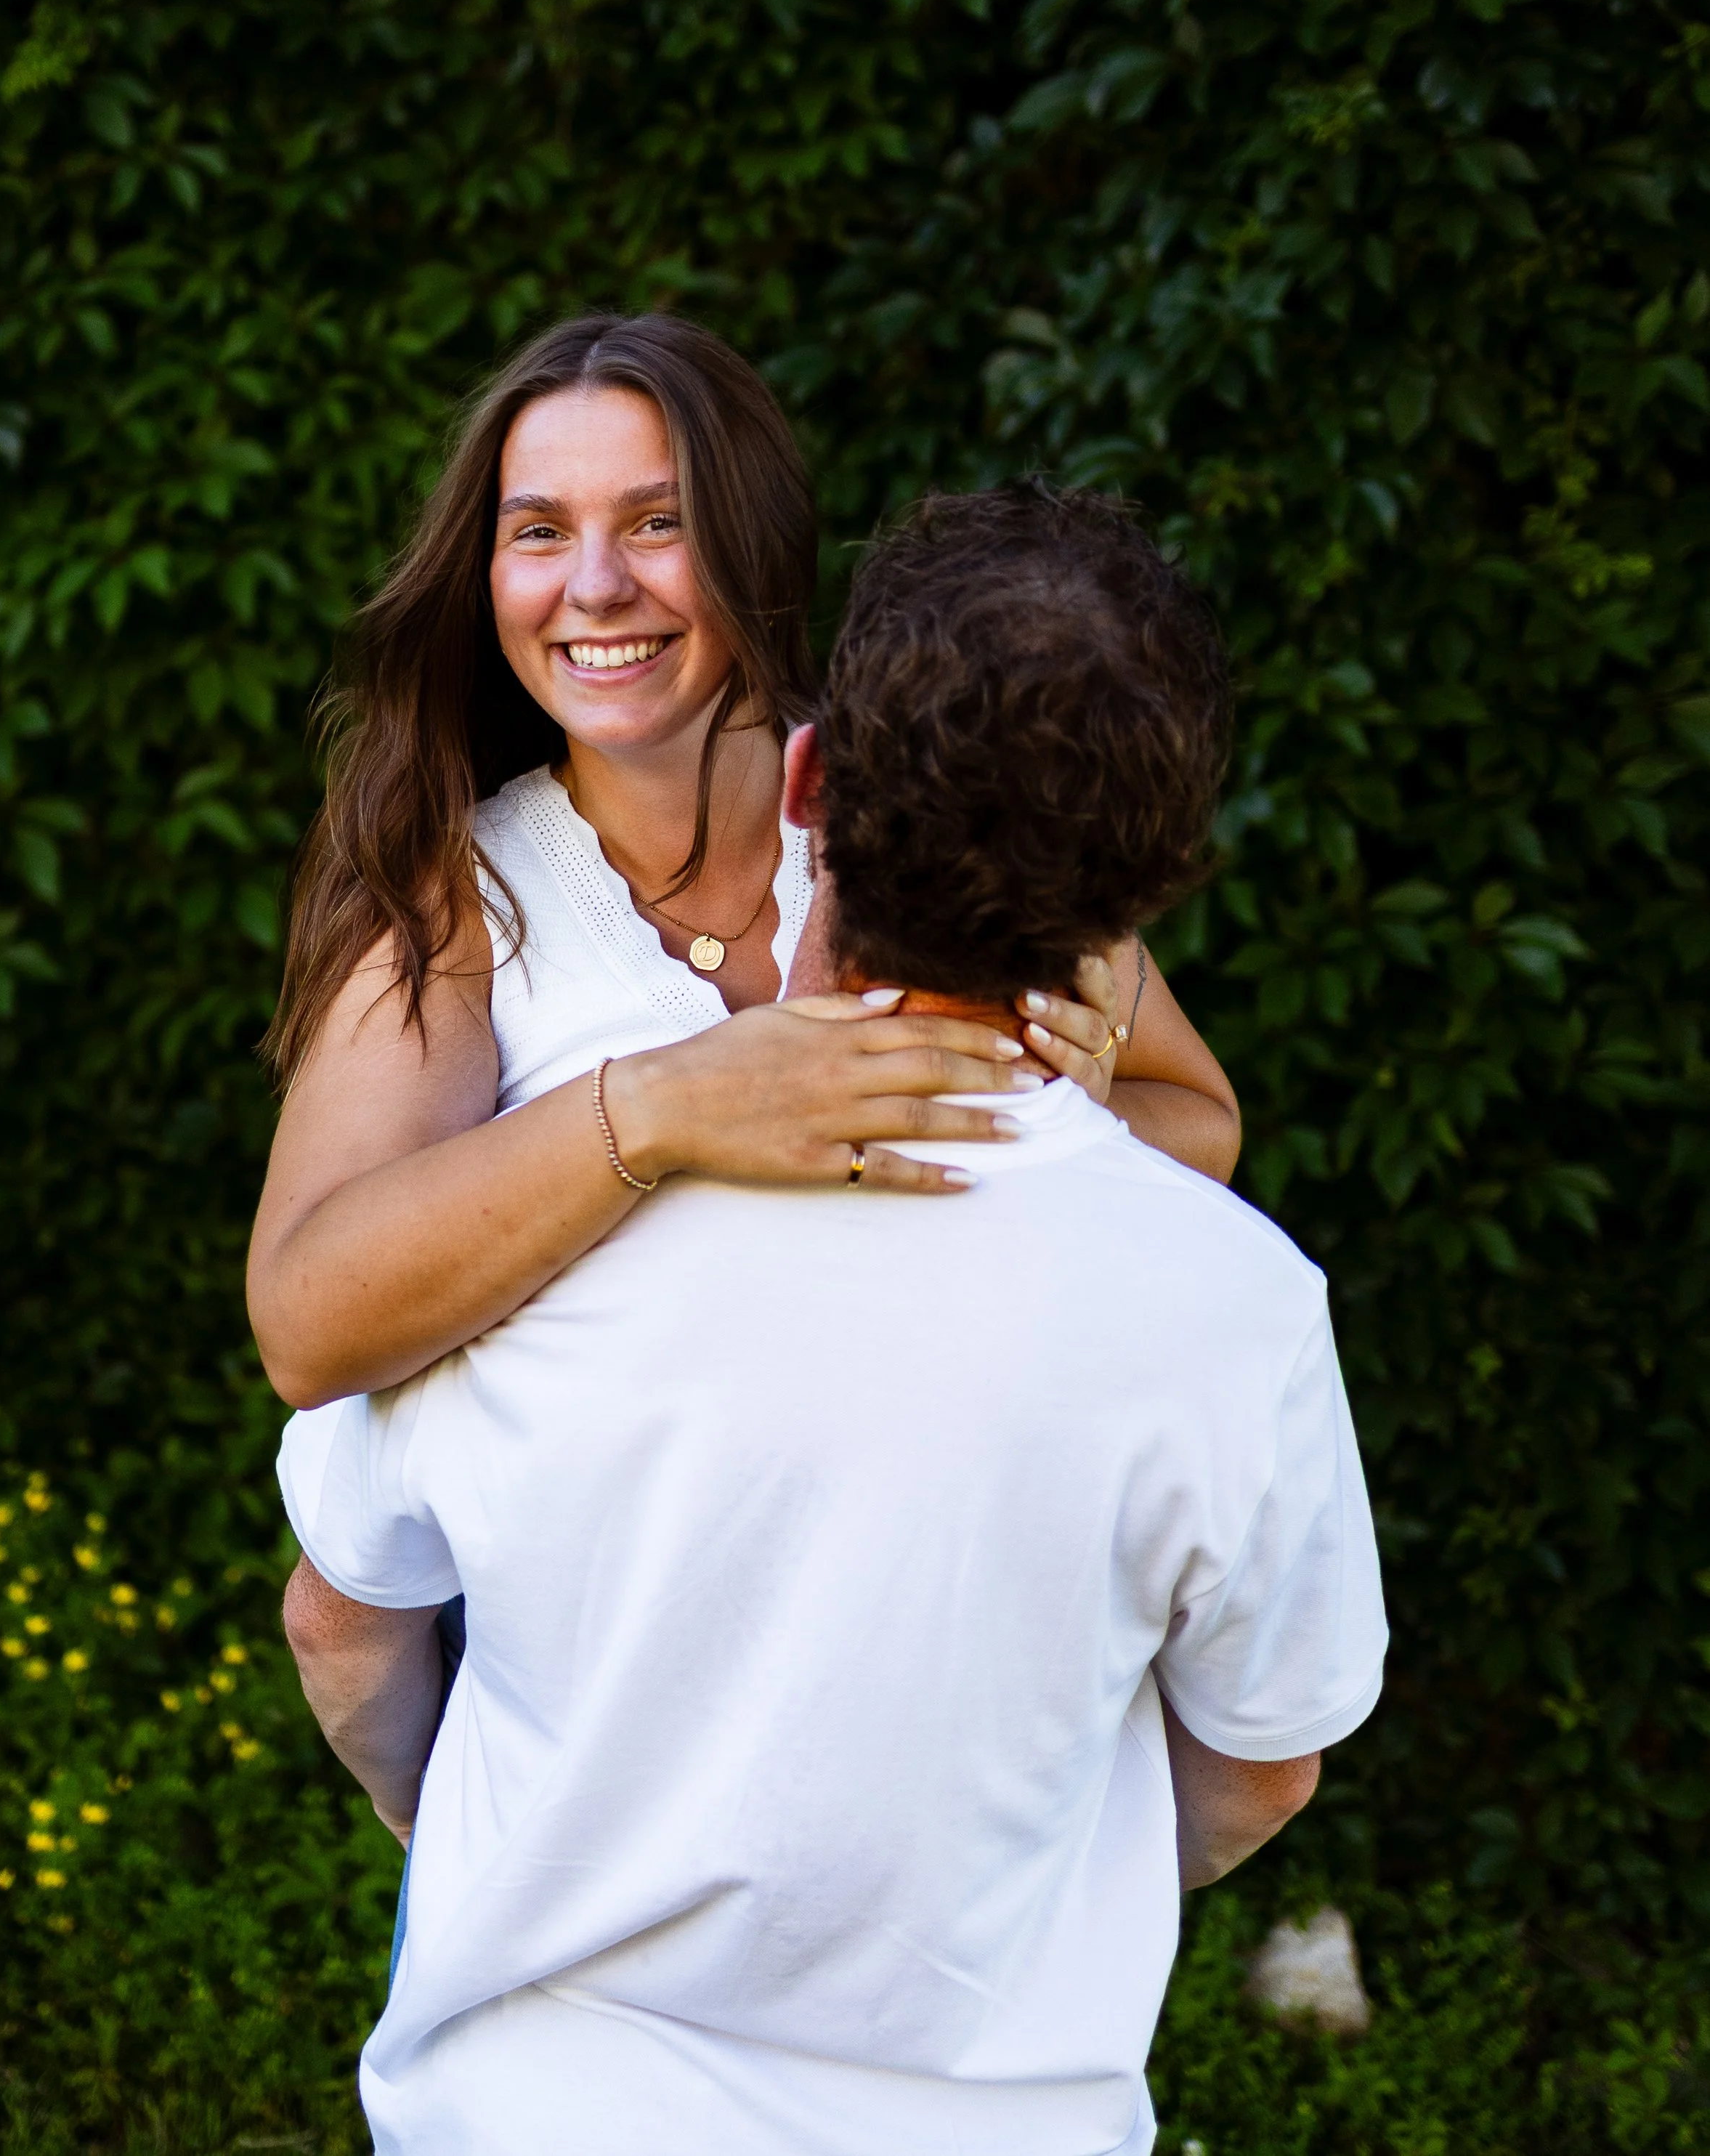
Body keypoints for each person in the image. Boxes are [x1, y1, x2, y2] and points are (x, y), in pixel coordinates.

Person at [278, 482, 1388, 2156]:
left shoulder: (526, 1229)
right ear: (1138, 897)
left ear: (806, 786)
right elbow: (1263, 1767)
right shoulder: (1237, 1306)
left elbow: (342, 1624)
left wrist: (515, 1849)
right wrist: (990, 1895)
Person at [246, 314, 1239, 1414]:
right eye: (537, 532)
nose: (595, 584)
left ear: (754, 540)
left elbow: (1204, 1127)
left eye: (657, 521)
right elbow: (307, 1327)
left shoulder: (931, 787)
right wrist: (656, 1109)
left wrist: (1070, 1122)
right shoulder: (458, 895)